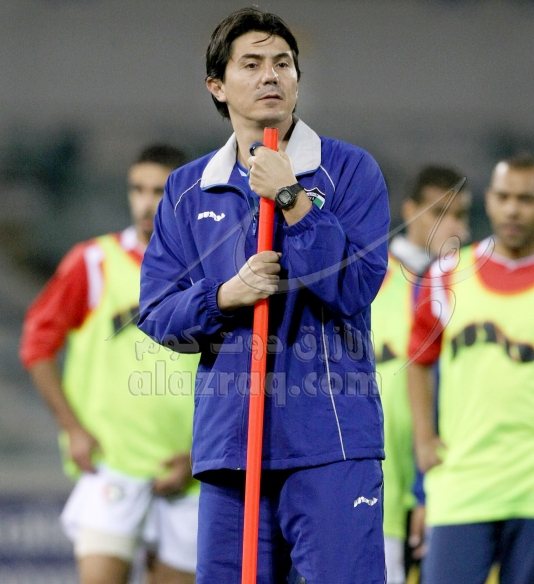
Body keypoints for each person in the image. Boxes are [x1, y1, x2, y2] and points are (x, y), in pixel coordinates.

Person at [137, 7, 390, 584]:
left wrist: (292, 198)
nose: (271, 75)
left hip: (331, 441)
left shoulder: (349, 171)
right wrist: (225, 295)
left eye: (283, 63)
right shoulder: (187, 190)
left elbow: (355, 286)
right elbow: (157, 314)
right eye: (251, 64)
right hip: (231, 448)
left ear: (298, 78)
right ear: (218, 86)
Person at [407, 152, 534, 584]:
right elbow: (418, 359)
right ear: (489, 201)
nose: (512, 209)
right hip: (462, 483)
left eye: (526, 199)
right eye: (503, 196)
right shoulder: (444, 276)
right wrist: (423, 438)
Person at [20, 145, 200, 584]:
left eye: (159, 191)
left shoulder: (210, 273)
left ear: (185, 197)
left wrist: (201, 456)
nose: (145, 202)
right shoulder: (94, 262)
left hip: (188, 470)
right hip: (112, 462)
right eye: (137, 189)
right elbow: (37, 346)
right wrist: (73, 429)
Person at [372, 165, 471, 584]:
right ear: (410, 211)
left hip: (440, 481)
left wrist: (426, 489)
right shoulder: (366, 278)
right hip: (374, 487)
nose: (454, 227)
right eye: (440, 213)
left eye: (461, 216)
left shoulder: (466, 290)